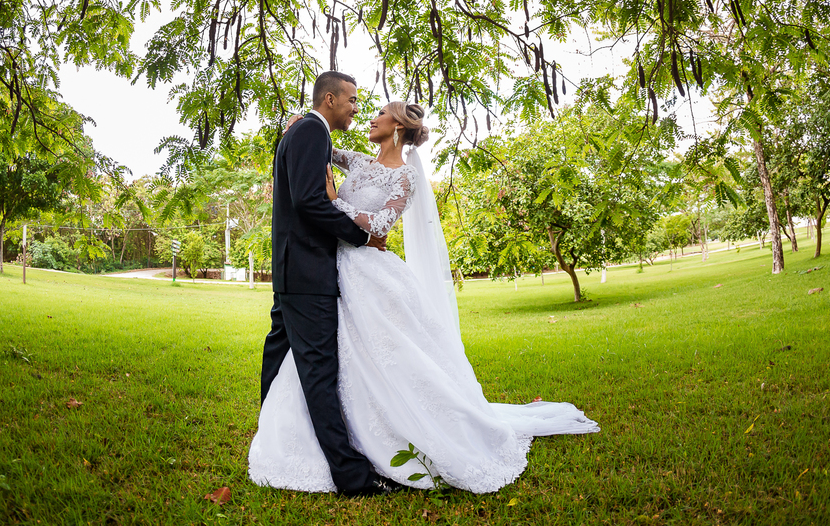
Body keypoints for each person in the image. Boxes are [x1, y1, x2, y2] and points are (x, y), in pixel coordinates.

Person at [250, 100, 599, 494]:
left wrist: (336, 202)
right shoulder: (362, 162)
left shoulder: (404, 178)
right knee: (340, 360)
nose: (370, 117)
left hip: (369, 275)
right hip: (334, 271)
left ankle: (396, 435)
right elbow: (319, 142)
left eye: (380, 114)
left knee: (388, 356)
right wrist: (296, 120)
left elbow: (380, 225)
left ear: (397, 126)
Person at [258, 71, 404, 497]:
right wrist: (359, 236)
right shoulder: (309, 132)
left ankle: (272, 439)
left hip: (293, 270)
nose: (357, 108)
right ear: (329, 99)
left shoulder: (305, 131)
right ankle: (352, 477)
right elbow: (308, 200)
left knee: (278, 352)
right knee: (320, 373)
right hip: (308, 273)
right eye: (353, 100)